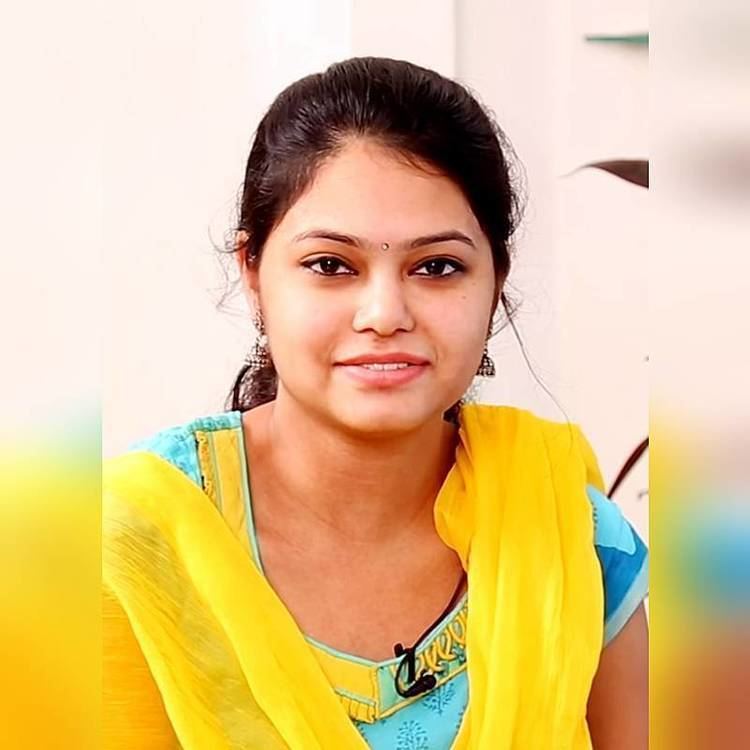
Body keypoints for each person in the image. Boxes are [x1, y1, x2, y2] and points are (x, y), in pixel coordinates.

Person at [103, 57, 648, 749]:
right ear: (252, 273)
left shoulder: (574, 541)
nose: (385, 312)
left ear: (495, 283)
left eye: (437, 267)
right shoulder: (124, 549)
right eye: (331, 265)